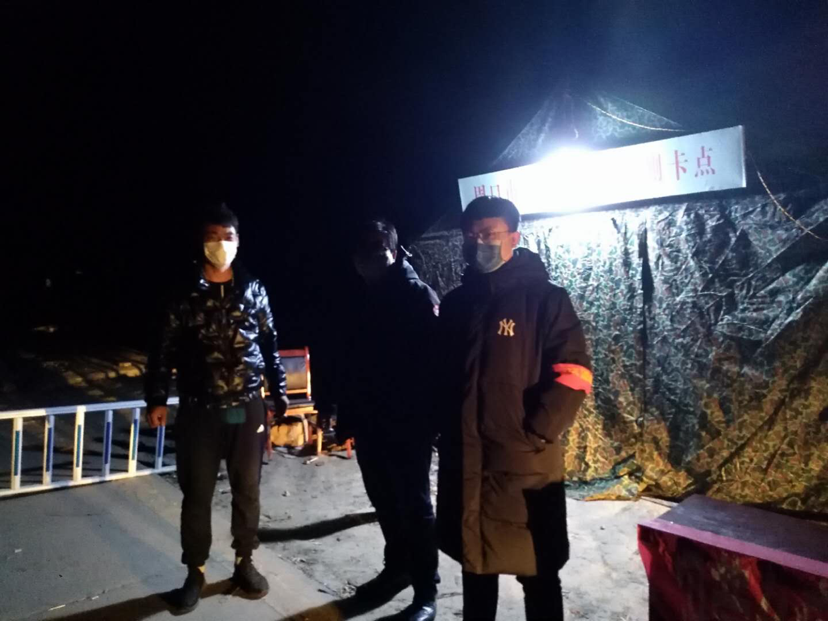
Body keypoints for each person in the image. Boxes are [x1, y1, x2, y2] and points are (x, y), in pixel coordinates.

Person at [437, 196, 592, 621]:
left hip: (524, 462)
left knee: (537, 570)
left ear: (514, 237)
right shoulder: (456, 304)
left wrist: (537, 431)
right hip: (467, 458)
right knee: (475, 563)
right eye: (471, 235)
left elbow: (574, 372)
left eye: (489, 233)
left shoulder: (546, 300)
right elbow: (439, 371)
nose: (479, 242)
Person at [144, 203, 289, 613]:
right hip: (200, 409)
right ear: (201, 242)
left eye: (228, 237)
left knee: (248, 489)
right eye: (213, 237)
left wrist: (279, 392)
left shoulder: (253, 288)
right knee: (197, 495)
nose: (221, 244)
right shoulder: (183, 293)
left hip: (247, 407)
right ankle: (196, 571)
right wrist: (156, 398)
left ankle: (244, 562)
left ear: (238, 241)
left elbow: (270, 344)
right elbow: (162, 350)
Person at [335, 219, 440, 621]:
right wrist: (346, 417)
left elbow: (435, 366)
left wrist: (431, 422)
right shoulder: (360, 297)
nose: (370, 255)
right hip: (370, 423)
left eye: (379, 247)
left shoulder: (416, 295)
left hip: (408, 424)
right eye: (363, 248)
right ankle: (397, 569)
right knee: (384, 501)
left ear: (395, 251)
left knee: (415, 507)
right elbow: (351, 364)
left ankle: (426, 591)